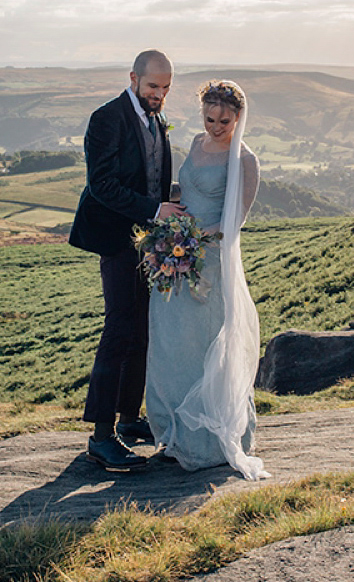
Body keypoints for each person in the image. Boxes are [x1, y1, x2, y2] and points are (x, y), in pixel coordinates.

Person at [145, 79, 270, 480]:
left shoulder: (244, 160)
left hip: (210, 263)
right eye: (209, 117)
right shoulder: (197, 142)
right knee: (169, 343)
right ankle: (173, 434)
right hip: (176, 255)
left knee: (204, 347)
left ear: (238, 118)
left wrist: (194, 241)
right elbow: (186, 191)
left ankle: (208, 442)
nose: (215, 126)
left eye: (224, 120)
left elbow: (236, 221)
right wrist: (170, 233)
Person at [69, 49, 184, 470]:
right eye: (153, 86)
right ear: (134, 77)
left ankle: (130, 418)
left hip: (147, 242)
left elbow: (149, 176)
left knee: (141, 329)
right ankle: (101, 436)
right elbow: (102, 185)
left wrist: (173, 204)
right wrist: (155, 212)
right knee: (119, 329)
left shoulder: (155, 119)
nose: (159, 94)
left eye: (167, 88)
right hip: (116, 239)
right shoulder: (107, 118)